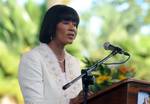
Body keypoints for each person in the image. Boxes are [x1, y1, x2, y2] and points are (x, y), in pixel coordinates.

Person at [18, 4, 83, 104]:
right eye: (66, 23)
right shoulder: (32, 58)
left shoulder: (75, 62)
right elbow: (34, 102)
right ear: (52, 26)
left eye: (75, 25)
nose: (72, 28)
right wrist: (70, 102)